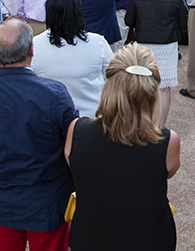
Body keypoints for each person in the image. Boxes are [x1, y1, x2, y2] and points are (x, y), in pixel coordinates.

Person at [0, 19, 77, 251]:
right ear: (31, 49)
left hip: (0, 202)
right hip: (46, 202)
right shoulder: (54, 94)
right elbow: (73, 149)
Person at [64, 43, 180, 251]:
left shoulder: (76, 131)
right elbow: (168, 171)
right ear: (152, 93)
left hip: (90, 239)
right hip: (148, 240)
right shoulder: (168, 141)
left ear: (109, 86)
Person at [125, 0, 187, 128]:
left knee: (142, 86)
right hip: (166, 46)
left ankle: (141, 123)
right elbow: (183, 25)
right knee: (164, 88)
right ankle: (160, 127)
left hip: (144, 45)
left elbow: (129, 21)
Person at [31, 0, 112, 119]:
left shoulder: (35, 45)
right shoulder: (98, 43)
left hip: (50, 120)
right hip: (91, 118)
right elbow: (113, 80)